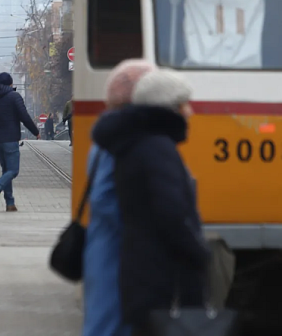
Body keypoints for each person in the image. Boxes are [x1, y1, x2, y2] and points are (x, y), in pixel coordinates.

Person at [92, 69, 211, 335]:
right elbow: (170, 213)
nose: (189, 112)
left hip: (143, 272)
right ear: (167, 108)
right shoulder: (156, 148)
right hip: (160, 277)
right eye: (183, 104)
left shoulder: (139, 144)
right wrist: (198, 252)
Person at [81, 59, 156, 336]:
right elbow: (105, 200)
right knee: (109, 322)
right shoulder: (122, 141)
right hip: (117, 253)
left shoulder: (108, 138)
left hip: (108, 251)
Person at [0, 72, 39, 212]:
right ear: (10, 84)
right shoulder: (14, 97)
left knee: (6, 170)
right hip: (10, 139)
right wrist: (35, 131)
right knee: (13, 170)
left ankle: (10, 203)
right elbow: (24, 116)